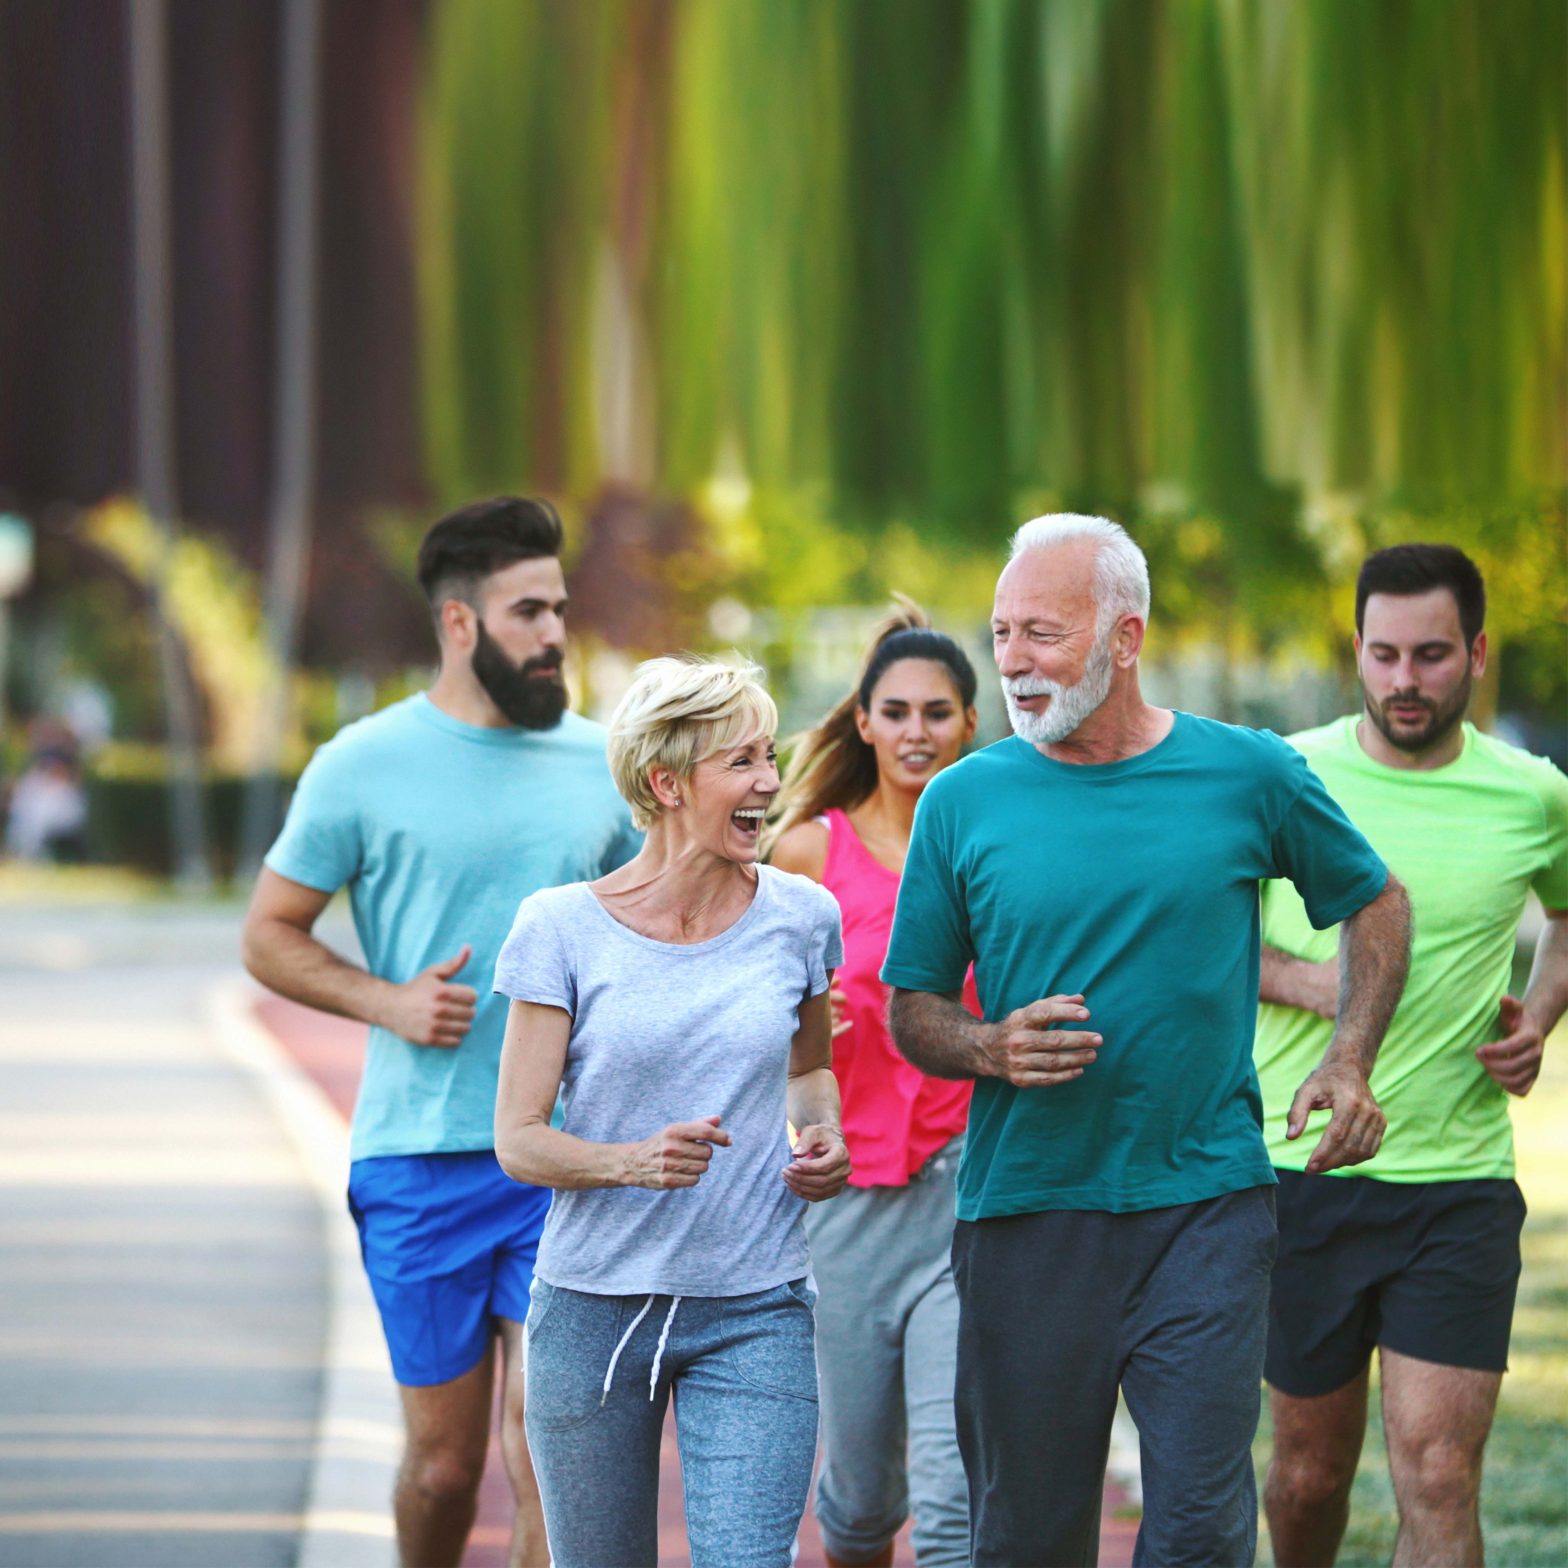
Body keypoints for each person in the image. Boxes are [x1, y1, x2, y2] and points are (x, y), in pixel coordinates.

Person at [880, 512, 1413, 1568]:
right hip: (1025, 1214)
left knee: (1200, 1533)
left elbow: (1375, 900)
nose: (1013, 662)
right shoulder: (960, 800)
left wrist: (1348, 1054)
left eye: (1041, 630)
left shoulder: (1245, 772)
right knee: (1026, 1539)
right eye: (999, 633)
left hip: (1203, 1207)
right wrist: (987, 1046)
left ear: (1124, 637)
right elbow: (914, 1010)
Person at [241, 496, 640, 1568]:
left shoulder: (603, 765)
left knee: (547, 1447)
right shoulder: (360, 764)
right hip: (417, 1154)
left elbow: (662, 920)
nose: (554, 631)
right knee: (442, 1465)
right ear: (459, 623)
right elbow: (269, 934)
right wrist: (389, 1000)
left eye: (557, 606)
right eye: (526, 610)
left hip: (562, 1157)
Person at [491, 655, 851, 1568]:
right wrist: (631, 1161)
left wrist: (825, 1140)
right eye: (742, 761)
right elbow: (519, 1141)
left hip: (756, 1307)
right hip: (593, 1310)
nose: (770, 782)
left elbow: (811, 1074)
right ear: (666, 782)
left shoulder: (802, 917)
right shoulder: (558, 927)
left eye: (771, 756)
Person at [1255, 542, 1568, 1567]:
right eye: (1381, 653)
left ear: (1476, 651)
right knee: (1305, 1477)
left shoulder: (1530, 792)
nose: (1401, 679)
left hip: (1456, 1182)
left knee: (1436, 1473)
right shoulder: (1284, 774)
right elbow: (1201, 935)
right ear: (1355, 647)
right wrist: (1312, 982)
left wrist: (1540, 1015)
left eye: (1429, 654)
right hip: (1298, 1172)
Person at [769, 605, 979, 1568]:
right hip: (844, 1210)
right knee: (857, 1503)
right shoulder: (809, 854)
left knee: (949, 1498)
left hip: (962, 1193)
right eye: (895, 712)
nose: (916, 733)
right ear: (863, 721)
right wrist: (796, 1030)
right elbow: (741, 1010)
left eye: (938, 713)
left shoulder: (991, 850)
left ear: (970, 724)